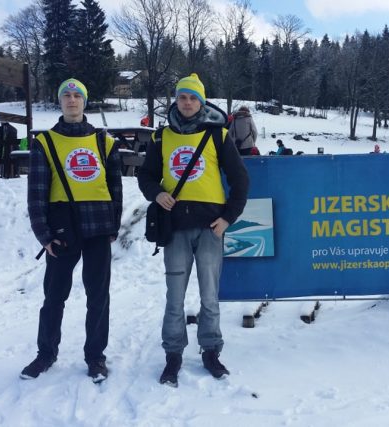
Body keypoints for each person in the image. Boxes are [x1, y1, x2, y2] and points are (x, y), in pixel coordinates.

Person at [137, 73, 249, 387]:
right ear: (176, 100)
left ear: (201, 101)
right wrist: (156, 193)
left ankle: (211, 351)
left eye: (193, 98)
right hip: (175, 230)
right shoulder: (161, 137)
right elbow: (145, 176)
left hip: (211, 229)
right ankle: (173, 354)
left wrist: (229, 218)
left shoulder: (218, 135)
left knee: (210, 297)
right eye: (182, 97)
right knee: (175, 298)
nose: (187, 103)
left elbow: (241, 180)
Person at [22, 78, 123, 383]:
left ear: (85, 101)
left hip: (98, 225)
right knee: (54, 296)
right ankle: (46, 353)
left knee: (98, 296)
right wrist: (44, 234)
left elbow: (116, 189)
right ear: (60, 101)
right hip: (62, 226)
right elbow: (36, 193)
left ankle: (95, 357)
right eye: (66, 95)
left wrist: (113, 226)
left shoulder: (105, 143)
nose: (71, 99)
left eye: (77, 95)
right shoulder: (44, 142)